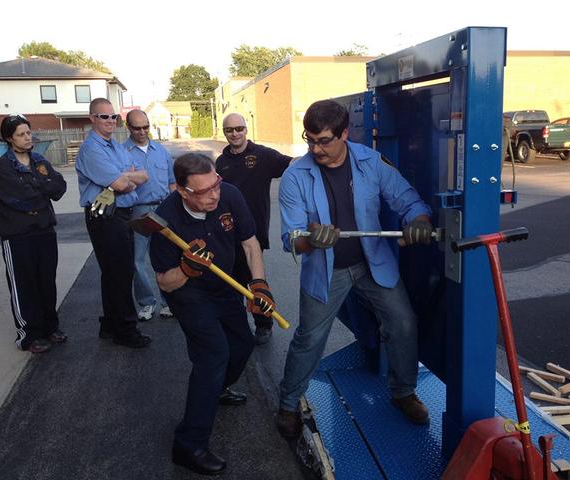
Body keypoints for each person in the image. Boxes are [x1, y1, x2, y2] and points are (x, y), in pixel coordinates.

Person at [276, 99, 434, 437]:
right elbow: (290, 239)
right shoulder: (295, 176)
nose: (315, 149)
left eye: (324, 140)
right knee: (309, 338)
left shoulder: (371, 163)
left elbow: (408, 200)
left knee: (403, 322)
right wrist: (312, 240)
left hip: (371, 262)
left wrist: (419, 220)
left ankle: (403, 391)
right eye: (310, 140)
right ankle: (288, 404)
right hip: (326, 272)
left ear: (344, 133)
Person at [149, 153, 276, 476]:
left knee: (243, 345)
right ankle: (188, 445)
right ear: (183, 191)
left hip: (225, 285)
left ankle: (216, 388)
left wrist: (259, 284)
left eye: (215, 185)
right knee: (213, 356)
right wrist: (186, 269)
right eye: (204, 191)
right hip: (189, 293)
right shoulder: (165, 221)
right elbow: (165, 281)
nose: (214, 195)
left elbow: (249, 243)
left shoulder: (229, 194)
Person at [75, 98, 151, 348]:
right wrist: (124, 177)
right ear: (92, 118)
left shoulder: (114, 146)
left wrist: (123, 176)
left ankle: (109, 324)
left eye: (113, 117)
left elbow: (143, 175)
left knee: (115, 273)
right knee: (119, 273)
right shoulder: (92, 149)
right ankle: (126, 329)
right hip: (105, 216)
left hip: (122, 214)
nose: (109, 121)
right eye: (103, 116)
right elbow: (121, 184)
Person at [215, 113, 291, 345]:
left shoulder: (264, 155)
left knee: (253, 280)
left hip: (254, 232)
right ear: (225, 132)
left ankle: (264, 325)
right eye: (229, 130)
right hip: (227, 231)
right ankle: (237, 326)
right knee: (232, 281)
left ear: (246, 129)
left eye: (239, 128)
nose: (235, 133)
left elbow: (294, 165)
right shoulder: (221, 161)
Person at [0, 114, 67, 353]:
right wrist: (43, 185)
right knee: (24, 285)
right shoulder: (3, 167)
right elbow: (20, 199)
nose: (28, 138)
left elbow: (59, 188)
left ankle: (50, 327)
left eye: (28, 132)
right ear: (9, 138)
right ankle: (29, 334)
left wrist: (40, 185)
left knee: (46, 282)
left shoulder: (38, 160)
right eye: (21, 134)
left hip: (45, 230)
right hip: (18, 235)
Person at [125, 109, 175, 321]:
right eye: (137, 128)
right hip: (138, 210)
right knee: (137, 259)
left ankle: (168, 302)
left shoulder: (161, 151)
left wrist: (175, 208)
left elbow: (172, 182)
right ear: (128, 128)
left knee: (167, 256)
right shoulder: (122, 152)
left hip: (164, 208)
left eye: (146, 127)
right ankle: (146, 303)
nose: (142, 132)